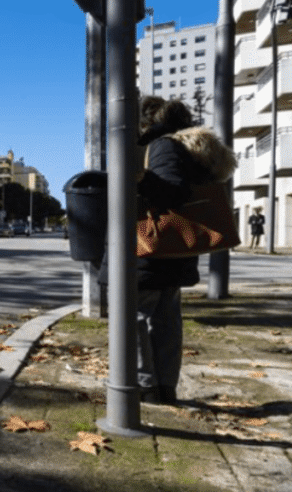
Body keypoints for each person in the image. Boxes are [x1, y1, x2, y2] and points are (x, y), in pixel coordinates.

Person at [102, 95, 236, 405]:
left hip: (150, 251)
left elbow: (171, 191)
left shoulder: (162, 146)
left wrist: (137, 177)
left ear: (148, 121)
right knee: (165, 322)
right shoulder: (191, 151)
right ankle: (164, 388)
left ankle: (144, 387)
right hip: (175, 252)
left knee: (131, 318)